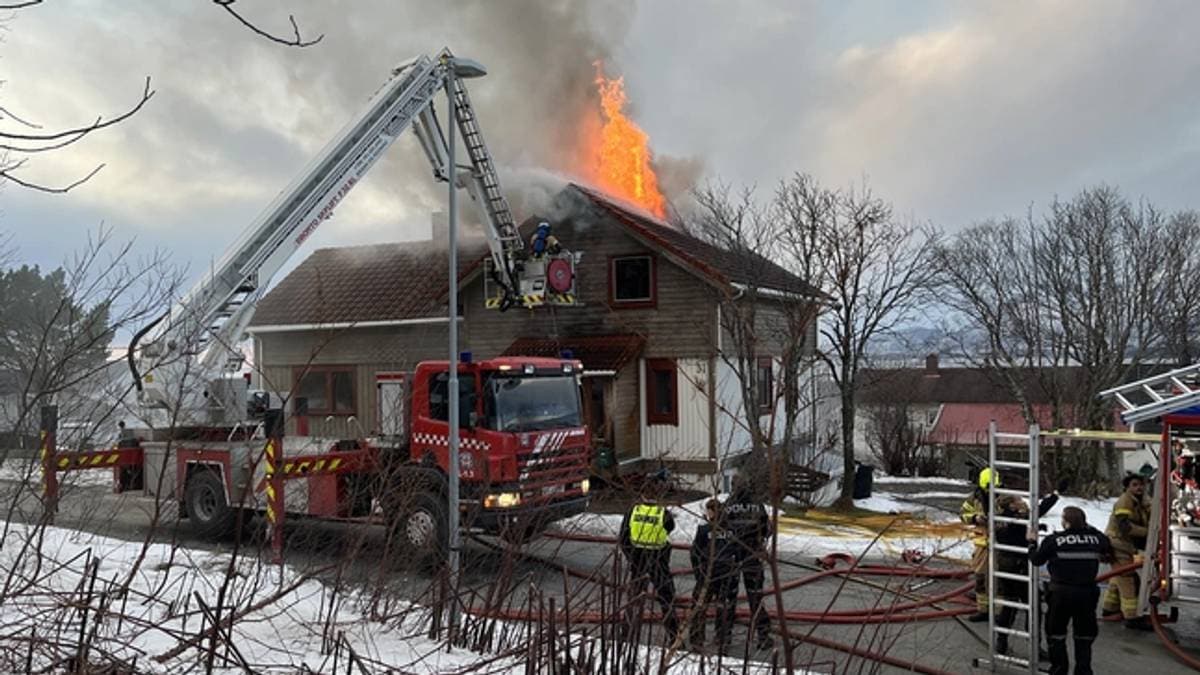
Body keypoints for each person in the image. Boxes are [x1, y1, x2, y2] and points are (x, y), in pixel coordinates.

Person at [1028, 506, 1113, 675]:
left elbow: (1036, 560)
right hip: (1087, 594)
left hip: (1061, 594)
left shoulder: (1054, 540)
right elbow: (1106, 545)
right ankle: (1083, 671)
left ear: (1065, 522)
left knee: (1056, 634)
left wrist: (1031, 542)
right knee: (1084, 636)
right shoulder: (1096, 539)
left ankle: (1059, 670)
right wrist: (1087, 528)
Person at [992, 488, 1061, 656]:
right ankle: (1034, 647)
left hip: (1005, 564)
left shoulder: (1000, 518)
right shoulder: (1018, 518)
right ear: (1012, 505)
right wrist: (1055, 495)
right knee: (1033, 606)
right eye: (1019, 500)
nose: (1024, 502)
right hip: (1019, 565)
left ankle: (1001, 641)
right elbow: (1039, 510)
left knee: (1009, 605)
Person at [619, 469, 679, 642]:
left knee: (634, 600)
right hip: (658, 562)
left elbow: (623, 539)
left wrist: (632, 557)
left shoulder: (633, 512)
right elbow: (669, 530)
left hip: (638, 561)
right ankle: (673, 637)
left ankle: (626, 636)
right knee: (667, 599)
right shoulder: (663, 514)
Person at [723, 475, 774, 650]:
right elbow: (768, 529)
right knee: (755, 597)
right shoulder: (757, 505)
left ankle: (725, 637)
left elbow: (720, 528)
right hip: (752, 555)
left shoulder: (729, 504)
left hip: (731, 556)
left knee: (728, 598)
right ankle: (763, 636)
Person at [1102, 474, 1152, 630]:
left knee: (1118, 577)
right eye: (1135, 485)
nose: (1139, 488)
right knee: (1128, 579)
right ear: (1127, 487)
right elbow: (1125, 527)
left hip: (1124, 546)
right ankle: (1132, 617)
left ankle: (1109, 608)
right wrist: (1149, 532)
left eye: (1141, 485)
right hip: (1118, 544)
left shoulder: (1139, 501)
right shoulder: (1125, 501)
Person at [689, 498, 737, 651]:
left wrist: (699, 573)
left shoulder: (705, 530)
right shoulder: (732, 530)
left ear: (712, 512)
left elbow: (695, 552)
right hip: (727, 574)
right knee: (725, 608)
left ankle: (697, 640)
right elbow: (739, 552)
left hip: (708, 574)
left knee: (699, 607)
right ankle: (723, 638)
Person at [961, 466, 998, 621]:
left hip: (999, 545)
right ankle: (983, 610)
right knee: (981, 578)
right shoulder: (974, 497)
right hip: (982, 544)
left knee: (998, 580)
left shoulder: (1006, 498)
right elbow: (962, 514)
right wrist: (975, 518)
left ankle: (999, 612)